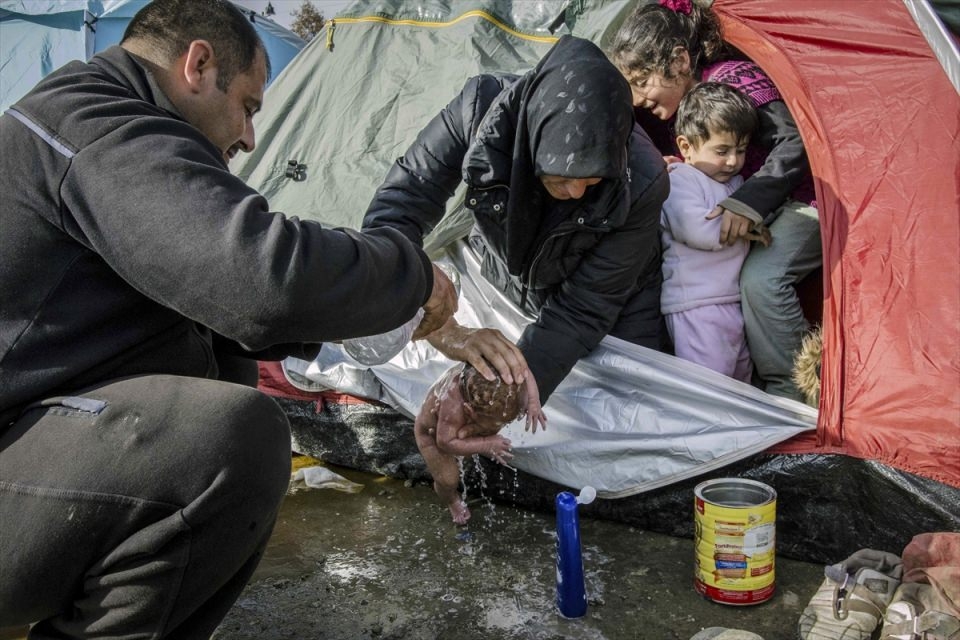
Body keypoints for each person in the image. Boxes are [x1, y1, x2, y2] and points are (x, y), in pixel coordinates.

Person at [0, 0, 458, 637]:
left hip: (24, 443)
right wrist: (413, 275)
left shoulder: (95, 121)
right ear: (198, 64)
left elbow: (235, 309)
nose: (248, 138)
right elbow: (259, 277)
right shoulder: (95, 125)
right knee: (229, 440)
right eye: (247, 106)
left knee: (224, 361)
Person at [361, 35, 671, 407]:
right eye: (559, 177)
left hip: (616, 301)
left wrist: (511, 392)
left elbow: (584, 309)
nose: (574, 192)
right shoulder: (479, 111)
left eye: (592, 180)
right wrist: (407, 300)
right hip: (506, 274)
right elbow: (406, 197)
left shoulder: (643, 180)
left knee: (628, 408)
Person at [610, 0, 821, 402]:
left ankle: (796, 391)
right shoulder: (670, 115)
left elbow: (794, 142)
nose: (637, 99)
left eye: (642, 81)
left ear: (679, 60)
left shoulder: (731, 80)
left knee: (762, 280)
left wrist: (747, 202)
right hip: (754, 222)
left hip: (802, 197)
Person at [661, 82, 761, 382]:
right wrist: (747, 227)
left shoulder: (734, 185)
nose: (733, 160)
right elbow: (696, 230)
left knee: (741, 382)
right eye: (722, 150)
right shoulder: (680, 180)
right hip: (696, 305)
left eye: (740, 150)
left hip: (731, 300)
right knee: (710, 389)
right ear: (686, 147)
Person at [414, 363, 547, 524]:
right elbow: (444, 442)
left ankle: (479, 437)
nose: (502, 427)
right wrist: (485, 443)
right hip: (433, 436)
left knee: (481, 433)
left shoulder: (503, 372)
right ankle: (451, 500)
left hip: (459, 429)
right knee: (448, 479)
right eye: (499, 423)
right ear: (470, 412)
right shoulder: (452, 406)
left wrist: (533, 400)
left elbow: (524, 370)